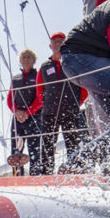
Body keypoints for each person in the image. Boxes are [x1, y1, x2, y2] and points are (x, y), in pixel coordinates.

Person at [35, 32, 90, 174]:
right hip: (49, 112)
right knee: (47, 145)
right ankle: (46, 173)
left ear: (65, 43)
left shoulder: (73, 63)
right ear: (50, 46)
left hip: (70, 110)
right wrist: (47, 104)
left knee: (73, 143)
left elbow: (83, 87)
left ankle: (75, 170)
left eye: (60, 41)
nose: (58, 44)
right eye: (55, 42)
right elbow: (39, 89)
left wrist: (76, 103)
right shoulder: (44, 67)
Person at [7, 49, 42, 175]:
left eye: (29, 57)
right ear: (20, 60)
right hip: (17, 120)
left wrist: (27, 113)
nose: (26, 59)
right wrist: (16, 112)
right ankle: (17, 176)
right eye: (24, 57)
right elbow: (10, 98)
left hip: (34, 117)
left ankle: (35, 176)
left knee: (35, 150)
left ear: (34, 60)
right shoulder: (15, 78)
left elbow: (40, 98)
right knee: (16, 151)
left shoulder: (38, 76)